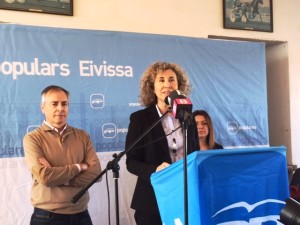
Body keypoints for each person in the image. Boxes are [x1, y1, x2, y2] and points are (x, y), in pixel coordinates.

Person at [125, 61, 199, 225]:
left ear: (179, 85)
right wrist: (155, 170)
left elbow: (195, 155)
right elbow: (131, 162)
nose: (167, 84)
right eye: (161, 80)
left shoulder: (188, 117)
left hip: (186, 196)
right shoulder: (140, 119)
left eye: (172, 79)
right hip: (152, 199)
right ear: (152, 87)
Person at [23, 85, 101, 225]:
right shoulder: (33, 138)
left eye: (64, 104)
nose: (61, 108)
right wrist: (79, 167)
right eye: (54, 104)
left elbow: (96, 173)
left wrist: (62, 178)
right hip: (46, 217)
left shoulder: (83, 136)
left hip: (81, 215)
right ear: (43, 108)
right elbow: (45, 177)